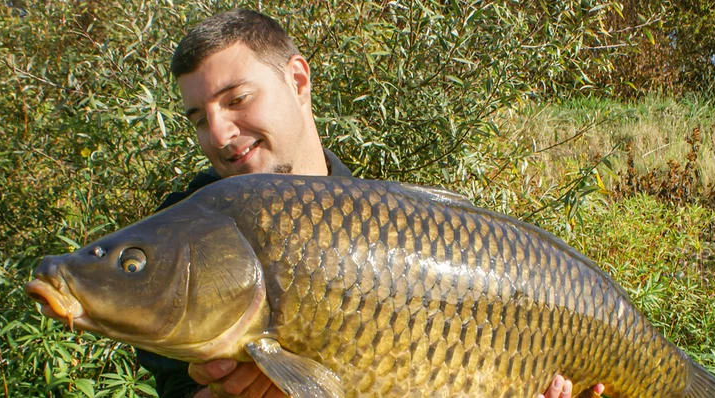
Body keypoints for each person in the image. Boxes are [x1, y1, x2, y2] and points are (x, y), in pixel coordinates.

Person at [137, 8, 606, 398]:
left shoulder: (395, 219)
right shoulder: (184, 239)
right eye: (199, 118)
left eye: (236, 98)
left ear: (298, 80)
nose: (217, 134)